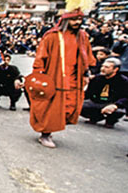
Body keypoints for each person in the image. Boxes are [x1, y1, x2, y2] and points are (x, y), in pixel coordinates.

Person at [28, 8, 95, 148]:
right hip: (54, 77)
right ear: (65, 20)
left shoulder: (82, 36)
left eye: (79, 19)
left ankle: (50, 129)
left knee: (68, 108)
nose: (77, 22)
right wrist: (39, 74)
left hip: (73, 78)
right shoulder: (52, 36)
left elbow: (86, 56)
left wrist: (86, 73)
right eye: (74, 19)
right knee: (51, 108)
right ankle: (45, 134)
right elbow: (41, 57)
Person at [80, 57, 128, 128]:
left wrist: (116, 105)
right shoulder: (96, 78)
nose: (102, 69)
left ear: (115, 69)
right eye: (102, 66)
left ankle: (110, 121)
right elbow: (88, 93)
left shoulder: (123, 81)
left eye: (106, 67)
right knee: (81, 106)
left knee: (119, 111)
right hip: (97, 102)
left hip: (112, 103)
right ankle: (95, 117)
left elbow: (126, 97)